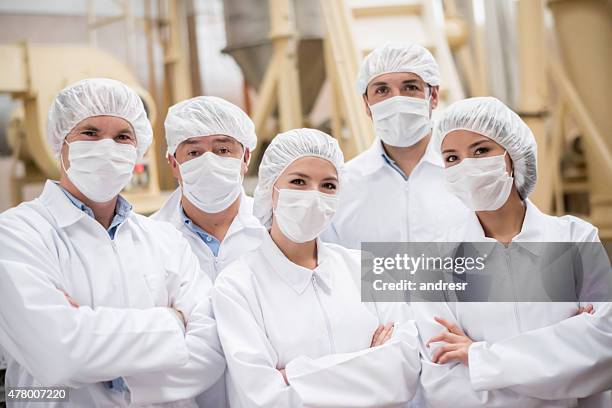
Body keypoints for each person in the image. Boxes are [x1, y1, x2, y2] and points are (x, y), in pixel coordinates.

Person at [0, 78, 225, 407]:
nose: (107, 146)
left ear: (138, 151)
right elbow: (58, 353)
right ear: (60, 141)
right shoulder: (16, 234)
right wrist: (174, 322)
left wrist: (96, 345)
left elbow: (211, 351)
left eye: (122, 136)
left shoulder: (166, 239)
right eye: (90, 133)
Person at [412, 97, 612, 407]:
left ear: (513, 155)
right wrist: (567, 351)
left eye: (480, 151)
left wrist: (480, 358)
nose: (466, 165)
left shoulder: (575, 239)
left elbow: (605, 346)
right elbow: (440, 379)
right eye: (451, 158)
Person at [212, 128, 421, 407]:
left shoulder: (364, 267)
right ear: (270, 188)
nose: (314, 195)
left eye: (328, 185)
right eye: (299, 181)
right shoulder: (237, 286)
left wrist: (294, 375)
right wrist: (371, 361)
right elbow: (264, 397)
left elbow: (403, 373)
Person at [152, 96, 267, 406]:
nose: (209, 160)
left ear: (245, 158)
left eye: (223, 149)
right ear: (173, 163)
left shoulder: (278, 233)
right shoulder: (149, 242)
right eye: (193, 151)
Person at [322, 43, 470, 248]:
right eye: (382, 90)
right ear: (367, 104)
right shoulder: (343, 186)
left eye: (410, 87)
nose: (396, 100)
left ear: (433, 96)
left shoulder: (471, 175)